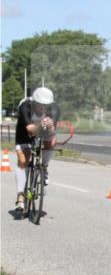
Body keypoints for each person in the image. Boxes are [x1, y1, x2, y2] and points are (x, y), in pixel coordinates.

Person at [13, 87, 60, 215]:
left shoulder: (54, 109)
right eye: (40, 105)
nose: (43, 108)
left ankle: (44, 167)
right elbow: (30, 129)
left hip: (43, 129)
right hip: (25, 131)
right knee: (23, 159)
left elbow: (52, 131)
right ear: (34, 102)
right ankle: (20, 196)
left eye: (46, 105)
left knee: (51, 141)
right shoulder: (25, 106)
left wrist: (50, 128)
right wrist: (40, 125)